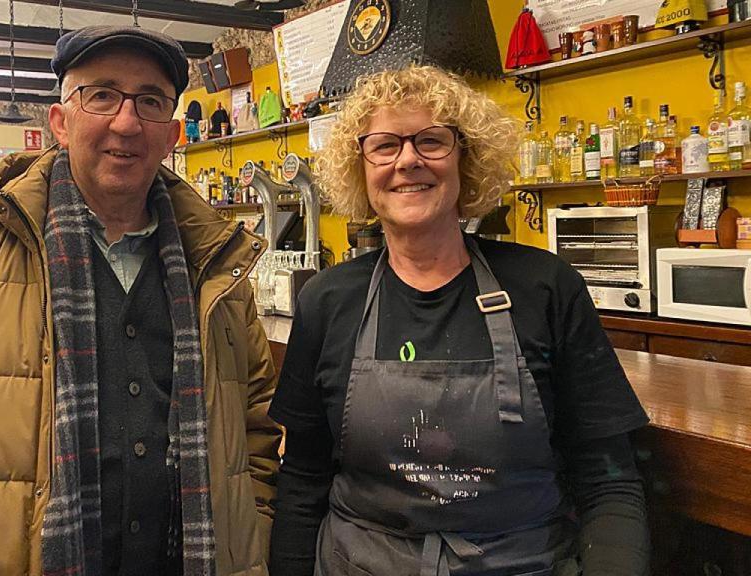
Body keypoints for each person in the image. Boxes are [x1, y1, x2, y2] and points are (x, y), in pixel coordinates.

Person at [0, 26, 281, 576]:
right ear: (60, 121)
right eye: (102, 95)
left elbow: (256, 430)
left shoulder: (217, 269)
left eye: (150, 101)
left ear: (172, 134)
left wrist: (250, 537)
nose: (126, 122)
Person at [268, 65, 650, 576]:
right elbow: (303, 479)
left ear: (466, 159)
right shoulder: (328, 300)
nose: (408, 160)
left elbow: (608, 481)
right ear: (360, 168)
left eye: (431, 141)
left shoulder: (545, 287)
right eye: (384, 145)